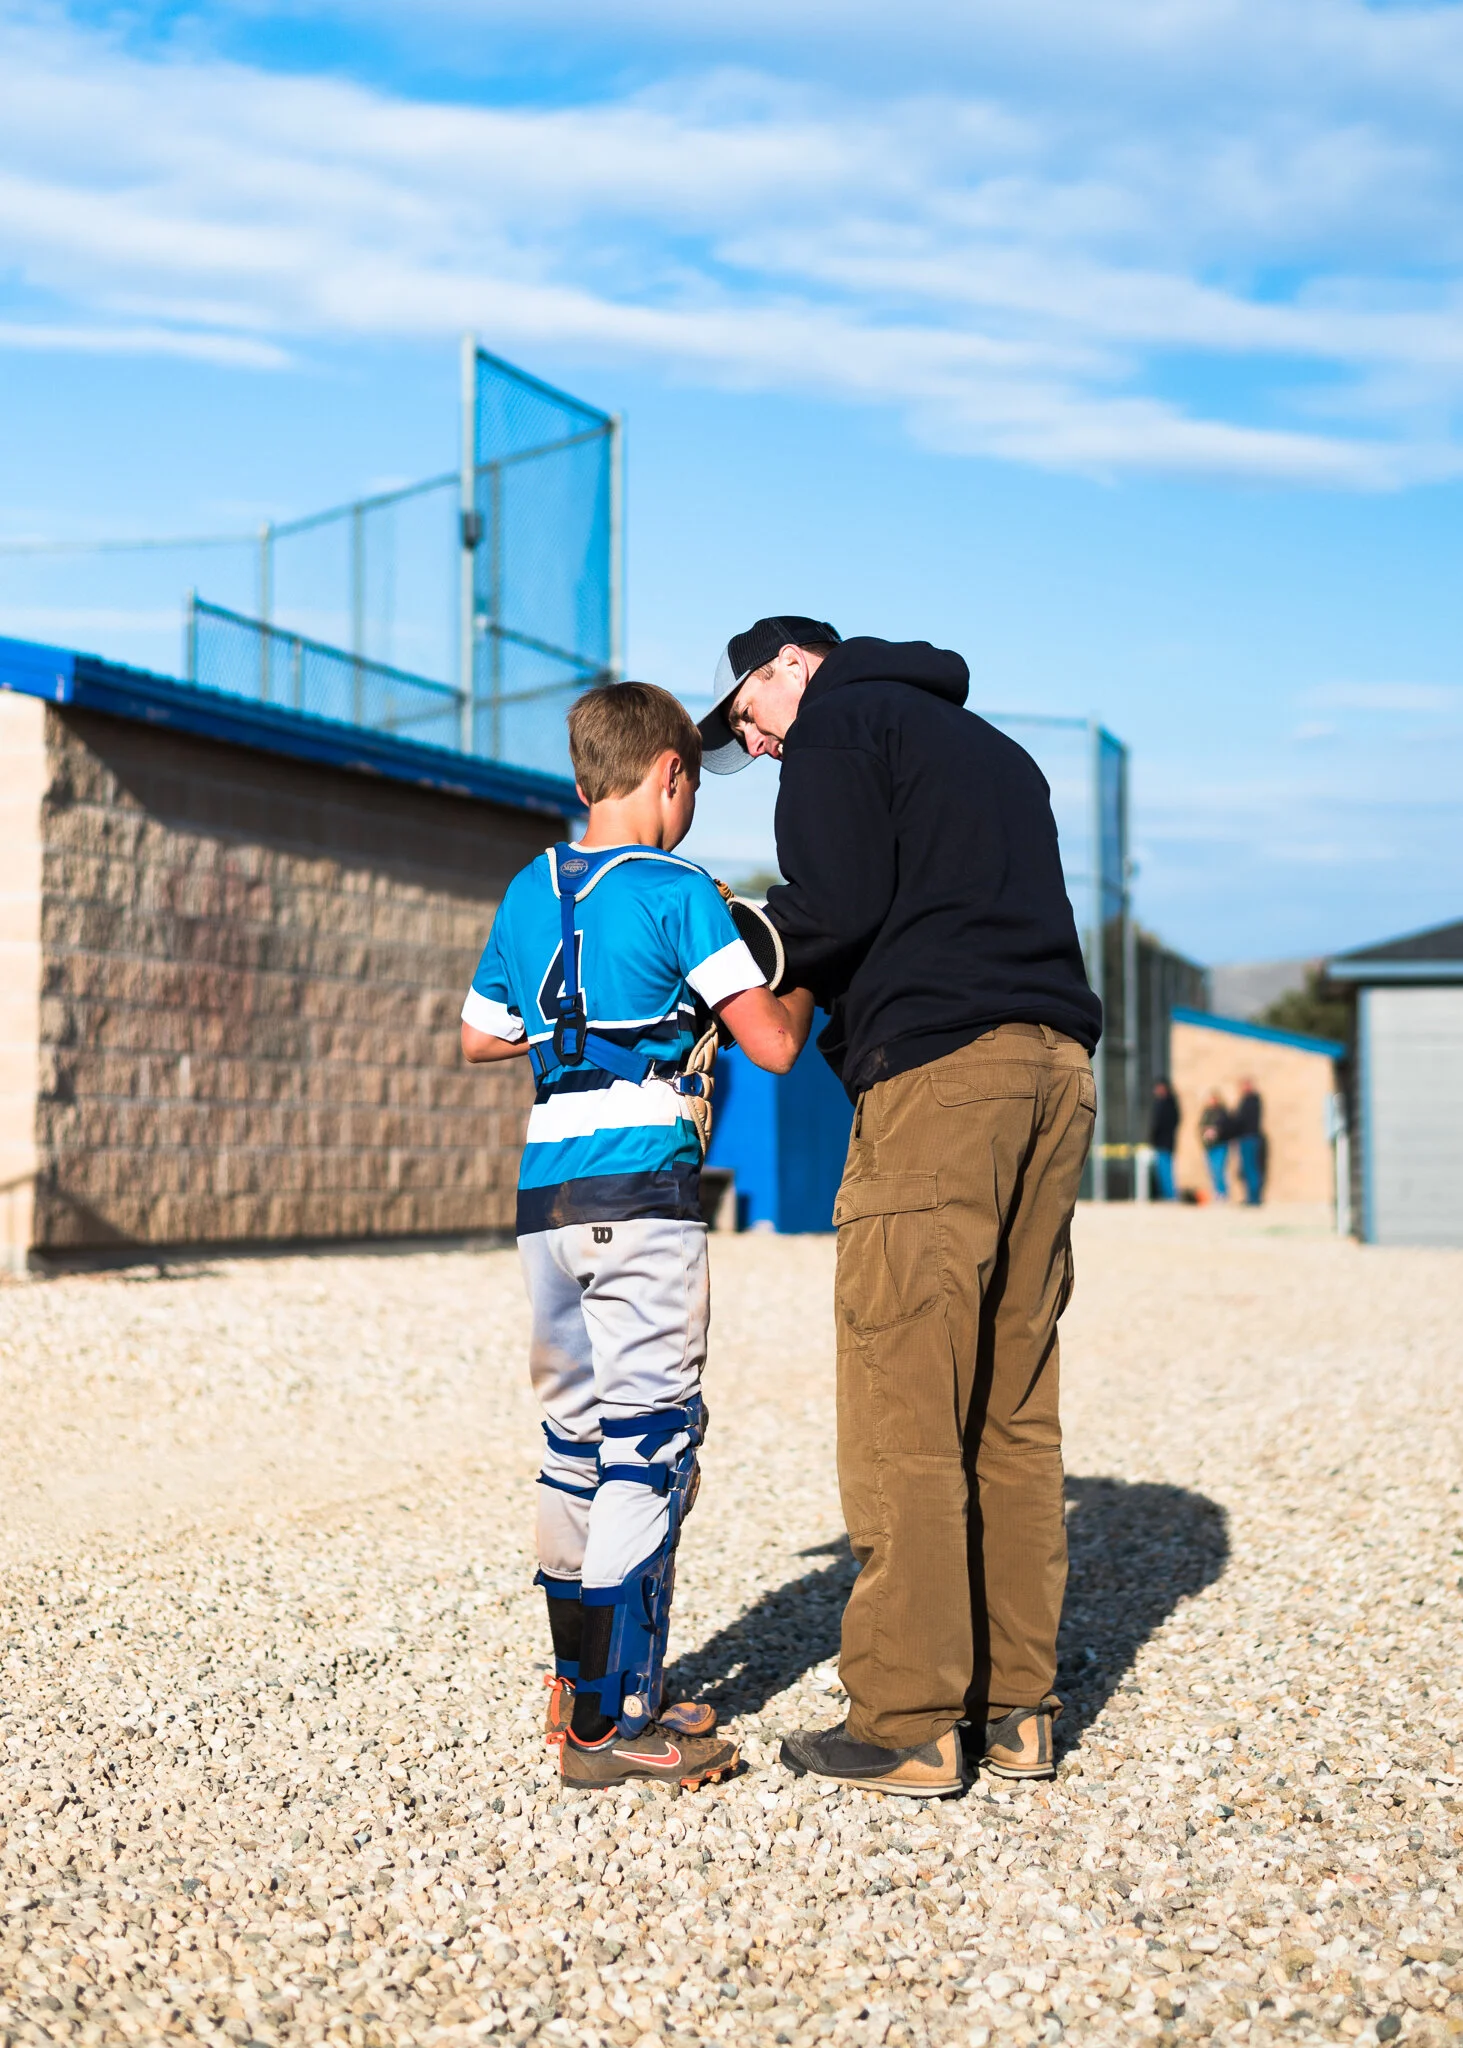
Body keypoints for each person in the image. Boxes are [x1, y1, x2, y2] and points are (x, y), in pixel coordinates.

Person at [698, 617, 1102, 1795]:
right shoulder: (991, 750)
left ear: (785, 668)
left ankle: (912, 1716)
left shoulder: (839, 724)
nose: (758, 748)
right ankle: (1016, 1707)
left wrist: (715, 937)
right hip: (1054, 1073)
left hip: (940, 1082)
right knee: (1010, 1404)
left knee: (903, 1398)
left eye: (746, 720)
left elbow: (834, 901)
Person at [461, 681, 813, 1789]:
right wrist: (791, 967)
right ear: (672, 772)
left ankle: (577, 1686)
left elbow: (480, 1036)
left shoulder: (530, 883)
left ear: (581, 779)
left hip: (543, 1198)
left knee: (572, 1439)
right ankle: (610, 1727)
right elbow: (771, 1049)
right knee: (647, 1444)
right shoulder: (677, 890)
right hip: (641, 1198)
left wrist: (574, 1016)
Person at [1233, 1077, 1264, 1206]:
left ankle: (1254, 1198)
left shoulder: (1250, 1101)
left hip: (1249, 1137)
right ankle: (1251, 1197)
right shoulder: (1251, 1101)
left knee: (1250, 1168)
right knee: (1247, 1169)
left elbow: (1241, 1119)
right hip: (1247, 1137)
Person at [1147, 1078, 1180, 1200]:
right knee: (1161, 1171)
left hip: (1165, 1142)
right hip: (1160, 1142)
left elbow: (1161, 1123)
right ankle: (1166, 1195)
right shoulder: (1160, 1103)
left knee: (1166, 1171)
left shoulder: (1169, 1103)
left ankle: (1170, 1196)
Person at [1199, 1089, 1231, 1198]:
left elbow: (1226, 1127)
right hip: (1209, 1146)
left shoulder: (1222, 1113)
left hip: (1220, 1145)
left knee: (1219, 1169)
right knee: (1211, 1170)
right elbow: (1200, 1127)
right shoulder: (1206, 1113)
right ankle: (1216, 1191)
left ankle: (1223, 1192)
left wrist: (1216, 1131)